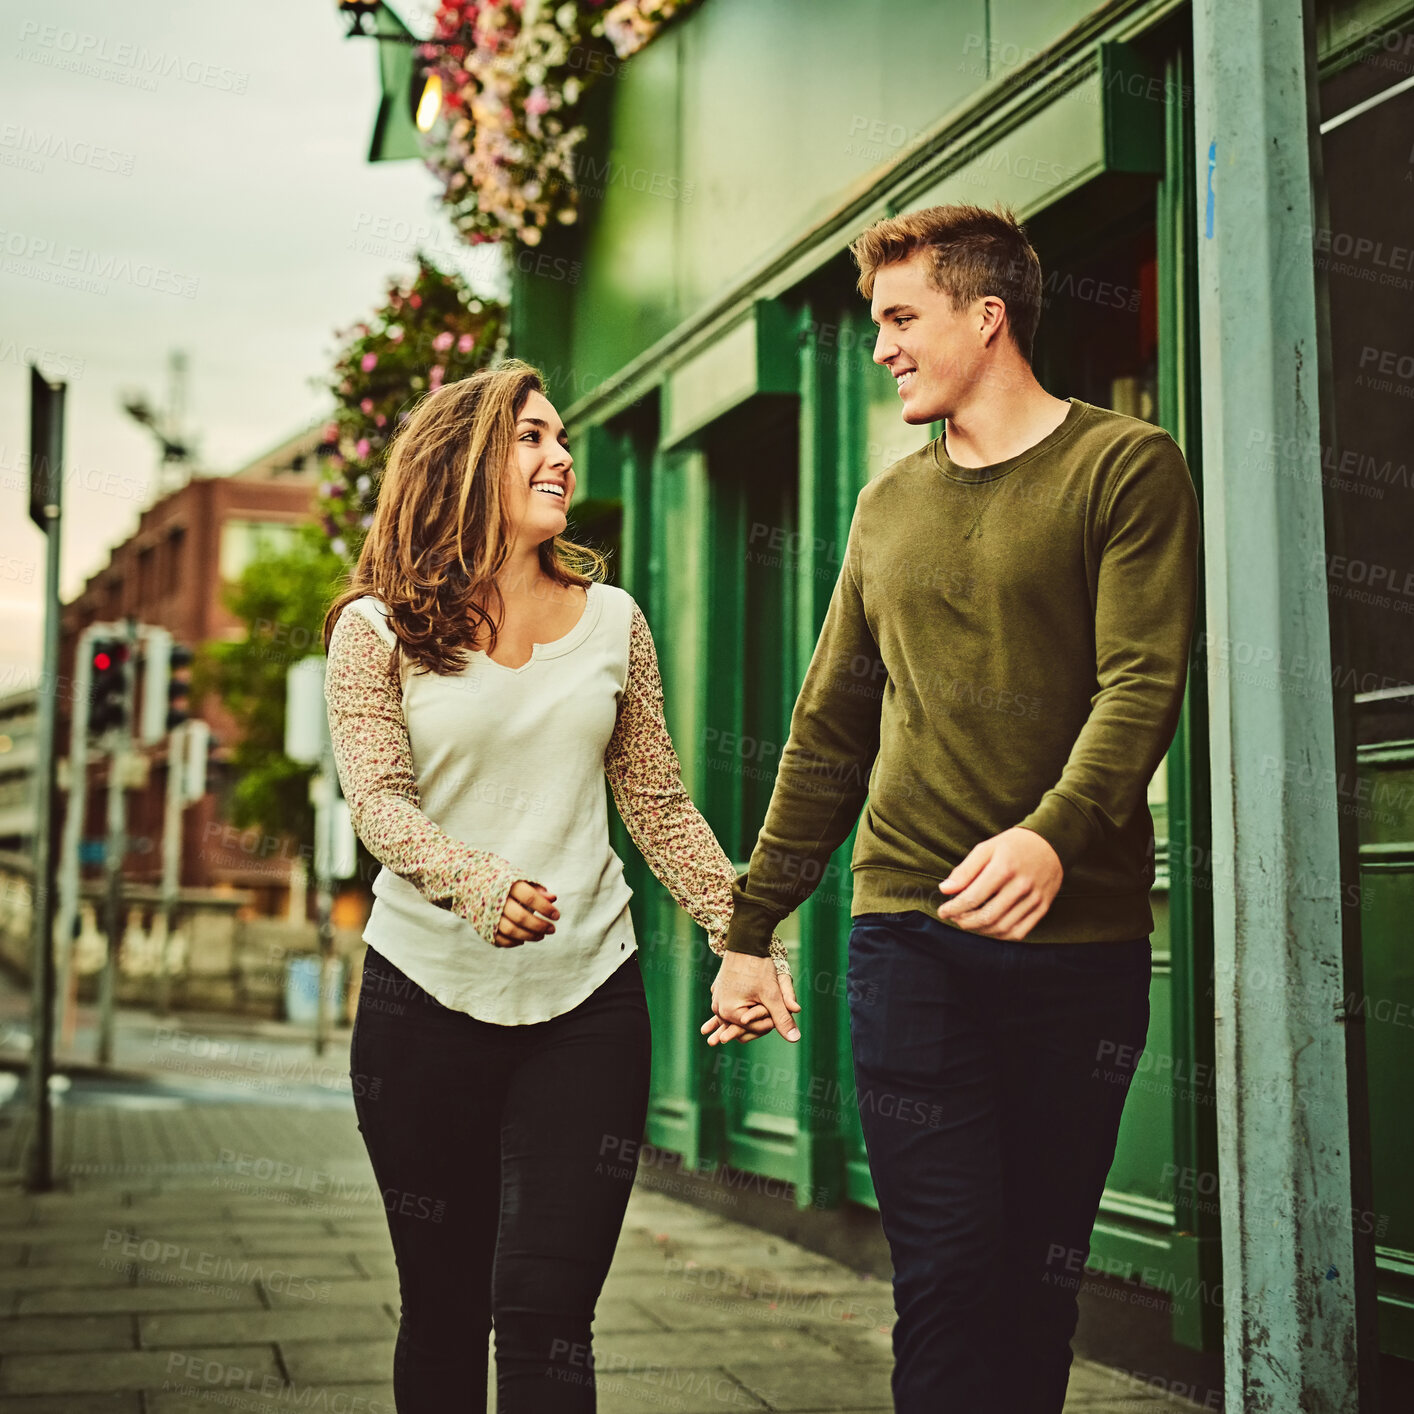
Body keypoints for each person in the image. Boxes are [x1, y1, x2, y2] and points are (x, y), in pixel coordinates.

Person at [701, 205, 1200, 1413]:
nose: (882, 346)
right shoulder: (885, 509)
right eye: (877, 322)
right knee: (946, 1272)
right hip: (909, 939)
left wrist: (1052, 831)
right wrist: (750, 927)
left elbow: (1143, 677)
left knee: (1036, 1279)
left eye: (899, 318)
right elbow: (828, 730)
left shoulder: (1123, 466)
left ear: (987, 317)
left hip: (1078, 949)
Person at [321, 359, 793, 1413]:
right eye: (530, 437)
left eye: (560, 436)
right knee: (443, 1313)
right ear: (460, 463)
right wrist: (474, 882)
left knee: (546, 1317)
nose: (559, 455)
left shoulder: (614, 620)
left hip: (587, 1004)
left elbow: (658, 802)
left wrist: (744, 932)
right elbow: (379, 805)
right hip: (419, 1002)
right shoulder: (373, 630)